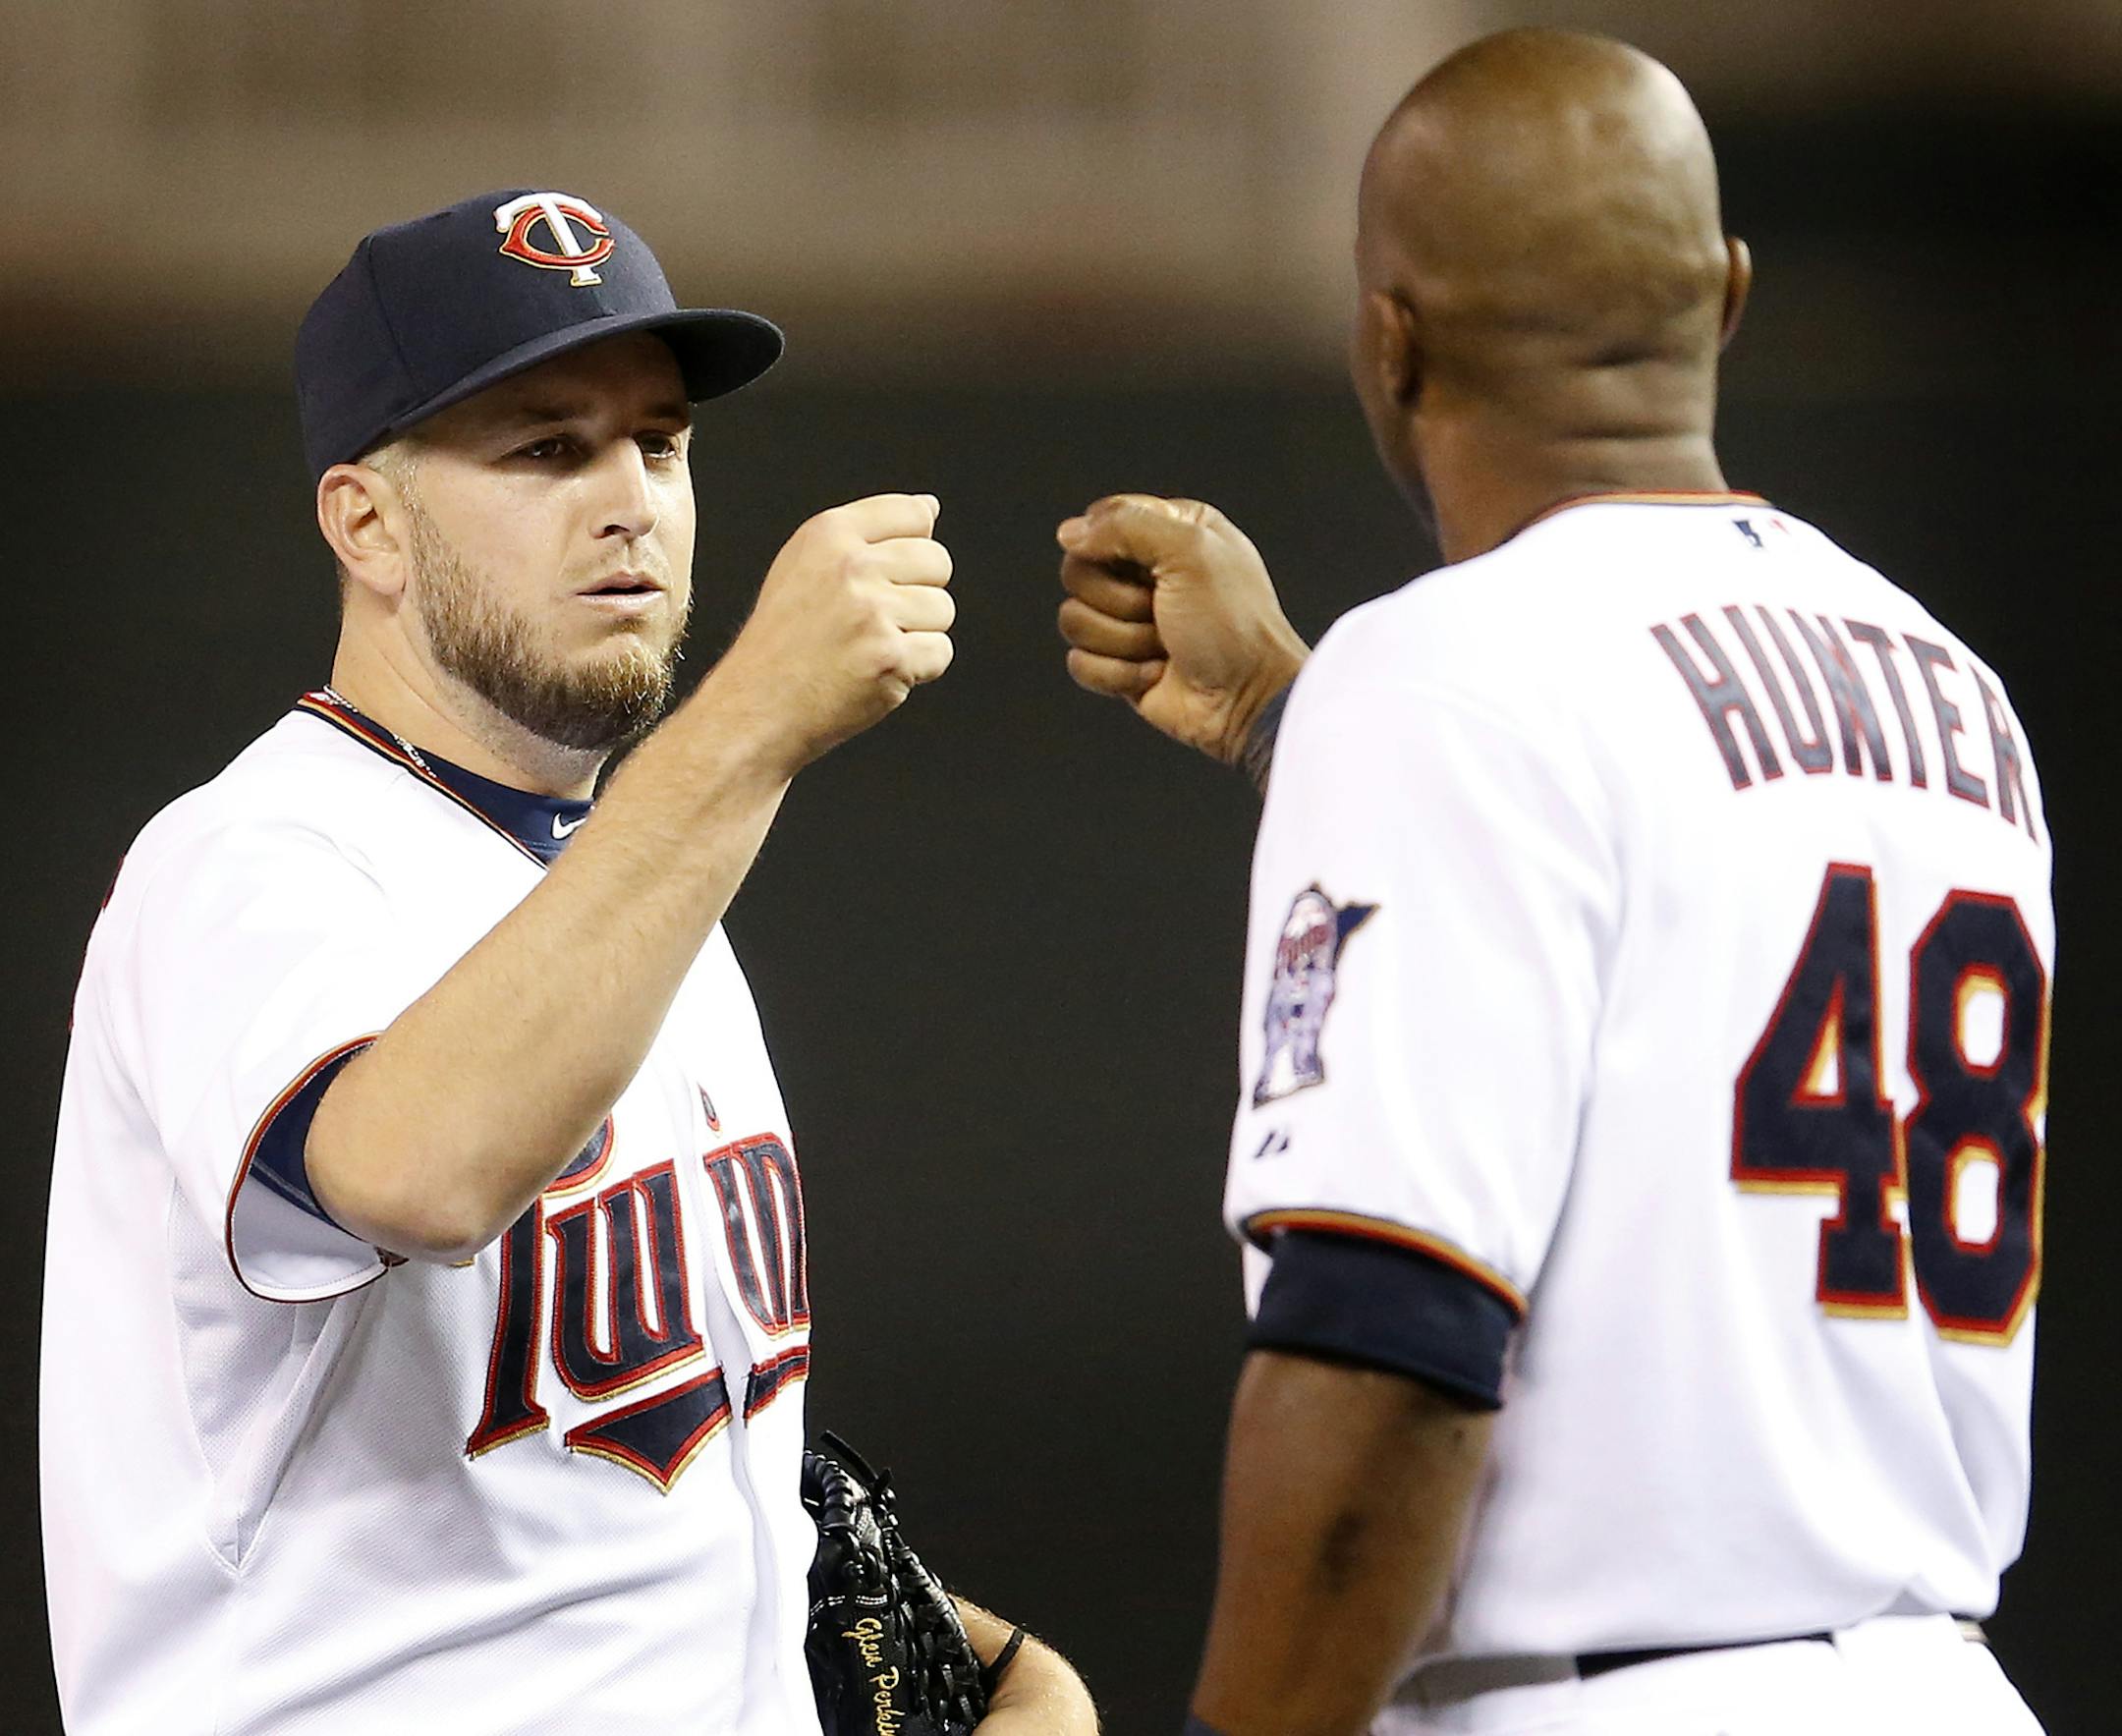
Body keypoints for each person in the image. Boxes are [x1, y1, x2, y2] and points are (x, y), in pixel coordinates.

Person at [1055, 30, 2049, 1736]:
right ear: (1724, 296)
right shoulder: (1956, 690)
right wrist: (1289, 719)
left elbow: (1387, 1344)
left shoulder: (1442, 673)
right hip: (1942, 1681)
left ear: (1391, 336)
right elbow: (1656, 881)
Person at [42, 189, 1094, 1736]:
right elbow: (418, 1170)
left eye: (659, 444)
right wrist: (748, 724)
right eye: (546, 449)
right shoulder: (248, 862)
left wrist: (996, 1663)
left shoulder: (637, 888)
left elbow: (615, 1468)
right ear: (368, 523)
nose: (632, 502)